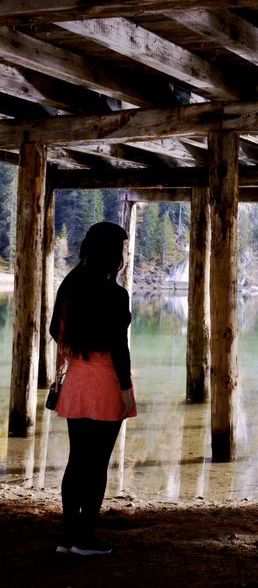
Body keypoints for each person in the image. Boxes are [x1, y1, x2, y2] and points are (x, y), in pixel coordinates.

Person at [50, 221, 136, 556]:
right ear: (112, 252)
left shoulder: (70, 284)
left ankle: (67, 537)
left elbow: (55, 331)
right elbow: (119, 347)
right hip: (105, 381)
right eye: (123, 249)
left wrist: (76, 348)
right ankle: (85, 538)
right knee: (97, 462)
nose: (125, 255)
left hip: (77, 379)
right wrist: (126, 390)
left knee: (77, 460)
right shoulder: (114, 293)